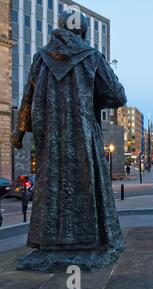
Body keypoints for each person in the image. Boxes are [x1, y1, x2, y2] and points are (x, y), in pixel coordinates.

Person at [11, 10, 127, 272]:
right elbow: (117, 96)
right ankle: (89, 243)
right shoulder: (92, 57)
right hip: (82, 133)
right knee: (86, 183)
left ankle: (50, 245)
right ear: (83, 32)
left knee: (50, 186)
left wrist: (19, 130)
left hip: (48, 135)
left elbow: (27, 96)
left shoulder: (40, 58)